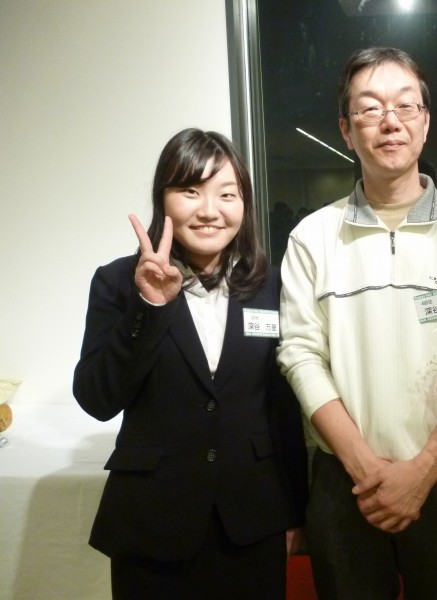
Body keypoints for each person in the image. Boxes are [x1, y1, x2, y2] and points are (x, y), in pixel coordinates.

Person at [277, 47, 437, 599]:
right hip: (344, 481)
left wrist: (424, 469)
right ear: (346, 129)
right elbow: (300, 354)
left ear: (425, 123)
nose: (390, 121)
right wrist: (363, 467)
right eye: (369, 108)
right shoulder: (312, 237)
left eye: (406, 106)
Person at [73, 128, 308, 600]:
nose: (209, 210)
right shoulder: (119, 282)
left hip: (253, 518)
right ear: (163, 199)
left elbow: (284, 409)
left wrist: (295, 510)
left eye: (227, 194)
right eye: (190, 191)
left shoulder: (270, 284)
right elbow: (98, 399)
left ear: (244, 204)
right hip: (153, 521)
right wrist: (149, 306)